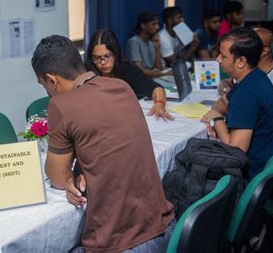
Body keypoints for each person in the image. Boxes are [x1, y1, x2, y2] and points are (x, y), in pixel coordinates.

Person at [31, 35, 175, 252]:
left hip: (123, 243)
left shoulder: (60, 105)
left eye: (45, 86)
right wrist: (82, 170)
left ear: (52, 80)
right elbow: (108, 149)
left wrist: (71, 174)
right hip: (164, 229)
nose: (48, 92)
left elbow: (59, 179)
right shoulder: (122, 87)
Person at [201, 28, 273, 195]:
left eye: (223, 55)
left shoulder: (247, 95)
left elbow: (236, 151)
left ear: (241, 61)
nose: (218, 59)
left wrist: (217, 121)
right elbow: (221, 103)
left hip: (261, 181)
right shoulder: (254, 76)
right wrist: (215, 112)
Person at [86, 29, 173, 121]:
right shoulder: (86, 73)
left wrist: (159, 104)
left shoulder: (127, 68)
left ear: (116, 53)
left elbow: (156, 88)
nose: (103, 62)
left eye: (107, 56)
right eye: (97, 58)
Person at [125, 11, 168, 78]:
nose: (157, 27)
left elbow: (158, 68)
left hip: (155, 78)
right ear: (143, 26)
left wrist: (158, 49)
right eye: (153, 24)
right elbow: (139, 71)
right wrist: (165, 74)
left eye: (157, 24)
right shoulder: (134, 42)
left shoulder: (151, 43)